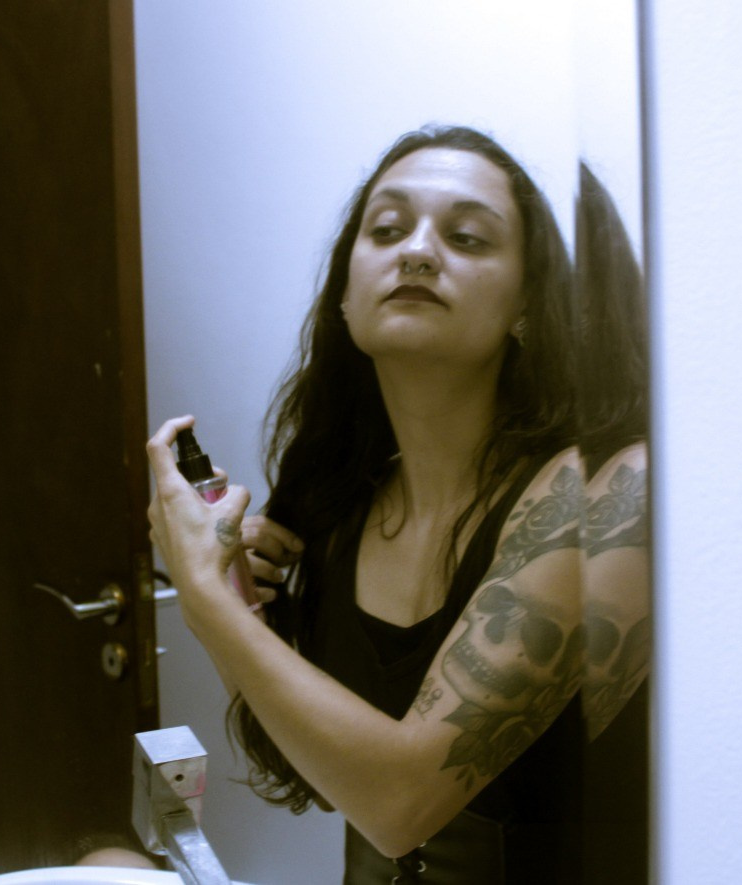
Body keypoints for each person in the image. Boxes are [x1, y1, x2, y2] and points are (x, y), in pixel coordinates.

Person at [145, 126, 650, 883]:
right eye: (386, 229)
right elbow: (322, 774)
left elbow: (402, 802)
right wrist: (239, 604)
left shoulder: (609, 491)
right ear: (346, 299)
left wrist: (204, 597)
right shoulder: (344, 508)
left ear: (528, 302)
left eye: (467, 237)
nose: (416, 252)